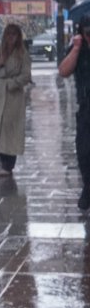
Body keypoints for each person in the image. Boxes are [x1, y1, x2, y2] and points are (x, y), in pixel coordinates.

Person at [0, 22, 32, 176]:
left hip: (13, 97)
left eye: (14, 34)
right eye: (8, 34)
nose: (11, 38)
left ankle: (7, 164)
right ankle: (3, 158)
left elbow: (26, 75)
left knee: (10, 131)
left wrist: (11, 84)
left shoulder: (22, 53)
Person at [59, 15, 90, 209]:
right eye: (87, 33)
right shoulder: (78, 49)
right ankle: (88, 187)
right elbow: (63, 70)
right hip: (86, 106)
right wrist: (77, 47)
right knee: (84, 151)